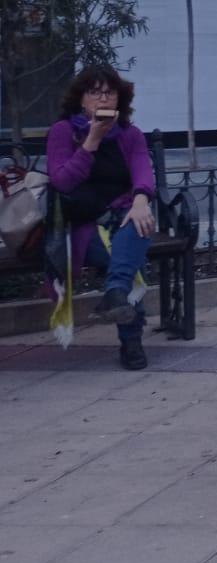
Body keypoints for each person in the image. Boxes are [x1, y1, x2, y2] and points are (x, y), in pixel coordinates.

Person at [45, 65, 158, 371]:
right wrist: (91, 141)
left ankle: (116, 294)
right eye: (94, 92)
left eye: (109, 93)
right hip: (82, 227)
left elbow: (142, 171)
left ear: (119, 99)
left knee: (138, 224)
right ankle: (130, 336)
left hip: (125, 215)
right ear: (81, 99)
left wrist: (140, 199)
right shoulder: (63, 132)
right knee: (128, 250)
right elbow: (63, 182)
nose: (103, 99)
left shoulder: (130, 135)